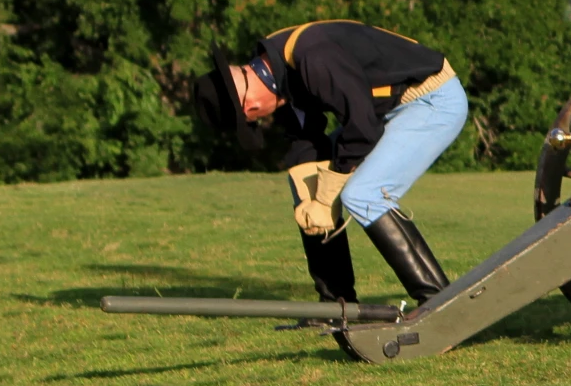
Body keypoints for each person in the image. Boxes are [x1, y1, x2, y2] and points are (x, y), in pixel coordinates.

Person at [194, 20, 467, 305]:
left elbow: (362, 130)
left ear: (251, 108)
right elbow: (306, 141)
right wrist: (312, 197)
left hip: (432, 99)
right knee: (308, 186)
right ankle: (337, 305)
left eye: (254, 121)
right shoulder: (274, 66)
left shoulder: (313, 58)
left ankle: (440, 302)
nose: (262, 120)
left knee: (363, 194)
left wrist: (331, 188)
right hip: (387, 113)